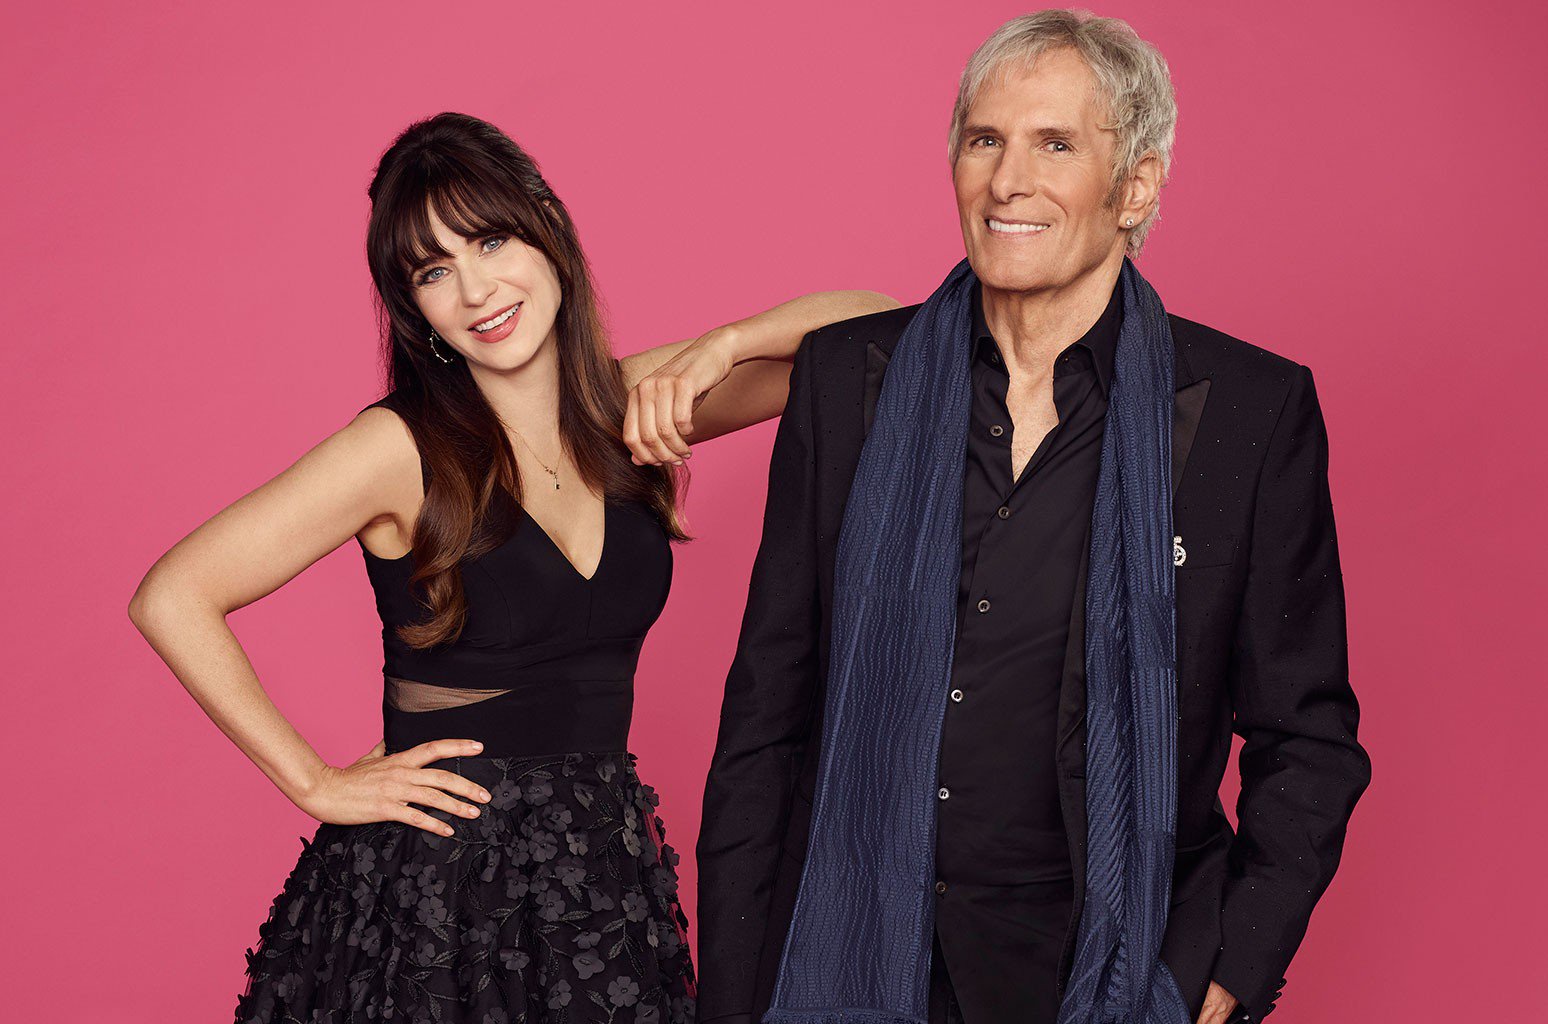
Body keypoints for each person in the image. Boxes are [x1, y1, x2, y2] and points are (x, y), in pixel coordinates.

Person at [655, 12, 1370, 1024]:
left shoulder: (1248, 412)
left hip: (1112, 966)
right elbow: (767, 713)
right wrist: (734, 990)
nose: (1007, 182)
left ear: (1137, 186)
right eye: (984, 139)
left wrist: (1224, 973)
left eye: (1056, 144)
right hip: (847, 953)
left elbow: (1308, 738)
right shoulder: (849, 382)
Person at [127, 111, 897, 1024]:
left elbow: (880, 329)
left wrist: (723, 344)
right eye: (434, 271)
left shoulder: (633, 409)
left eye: (491, 241)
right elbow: (173, 594)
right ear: (415, 308)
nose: (476, 289)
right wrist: (314, 782)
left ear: (548, 228)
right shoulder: (397, 449)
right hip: (435, 895)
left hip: (600, 882)